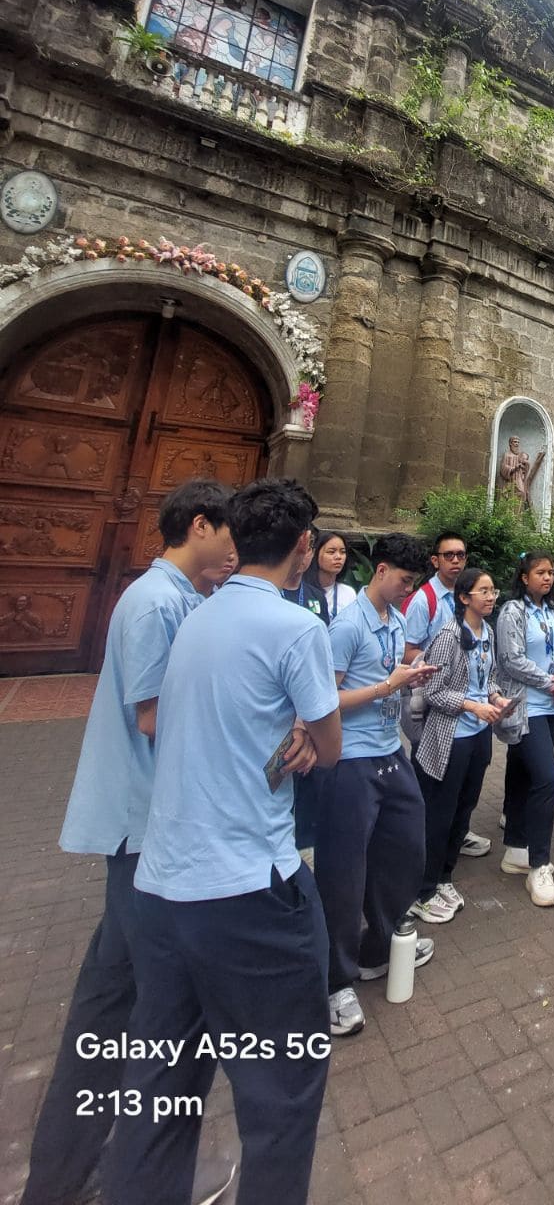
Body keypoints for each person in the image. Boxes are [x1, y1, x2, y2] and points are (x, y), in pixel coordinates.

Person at [103, 478, 343, 1205]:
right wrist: (304, 732)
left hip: (163, 887)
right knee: (282, 1093)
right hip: (249, 891)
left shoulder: (194, 614)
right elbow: (329, 747)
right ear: (304, 546)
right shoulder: (296, 627)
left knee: (162, 1084)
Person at [21, 482, 240, 1205]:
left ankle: (65, 1174)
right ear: (200, 525)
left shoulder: (182, 598)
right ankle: (141, 1177)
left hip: (152, 828)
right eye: (228, 533)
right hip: (148, 830)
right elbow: (151, 715)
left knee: (112, 999)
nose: (234, 549)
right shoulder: (154, 603)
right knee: (157, 1006)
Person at [317, 531, 434, 1036]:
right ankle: (335, 982)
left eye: (414, 583)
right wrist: (390, 684)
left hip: (390, 750)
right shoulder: (346, 626)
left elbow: (391, 673)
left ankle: (377, 946)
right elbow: (326, 701)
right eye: (404, 581)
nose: (409, 590)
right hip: (350, 759)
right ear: (380, 570)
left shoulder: (398, 619)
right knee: (343, 872)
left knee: (406, 849)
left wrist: (411, 675)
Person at [410, 569, 509, 922]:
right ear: (464, 597)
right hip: (449, 738)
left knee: (464, 810)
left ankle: (444, 877)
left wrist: (496, 698)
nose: (491, 597)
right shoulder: (448, 636)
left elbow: (489, 677)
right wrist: (472, 706)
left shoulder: (488, 632)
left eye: (493, 590)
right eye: (484, 591)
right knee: (440, 814)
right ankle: (422, 890)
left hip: (479, 736)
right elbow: (433, 691)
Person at [403, 530, 491, 857]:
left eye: (461, 555)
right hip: (430, 702)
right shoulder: (424, 599)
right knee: (431, 778)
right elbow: (407, 650)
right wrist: (441, 662)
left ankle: (455, 836)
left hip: (466, 712)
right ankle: (422, 847)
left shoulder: (472, 603)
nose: (456, 561)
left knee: (462, 785)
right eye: (448, 555)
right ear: (435, 560)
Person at [494, 550, 554, 907]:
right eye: (540, 572)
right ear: (524, 577)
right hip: (527, 706)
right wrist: (548, 681)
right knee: (547, 778)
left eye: (551, 572)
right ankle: (539, 866)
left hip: (553, 706)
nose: (547, 577)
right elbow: (510, 659)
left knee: (524, 773)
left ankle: (515, 848)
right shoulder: (512, 611)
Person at [307, 529, 357, 620]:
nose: (338, 557)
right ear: (315, 554)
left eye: (343, 552)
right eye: (331, 552)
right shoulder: (302, 590)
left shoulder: (348, 593)